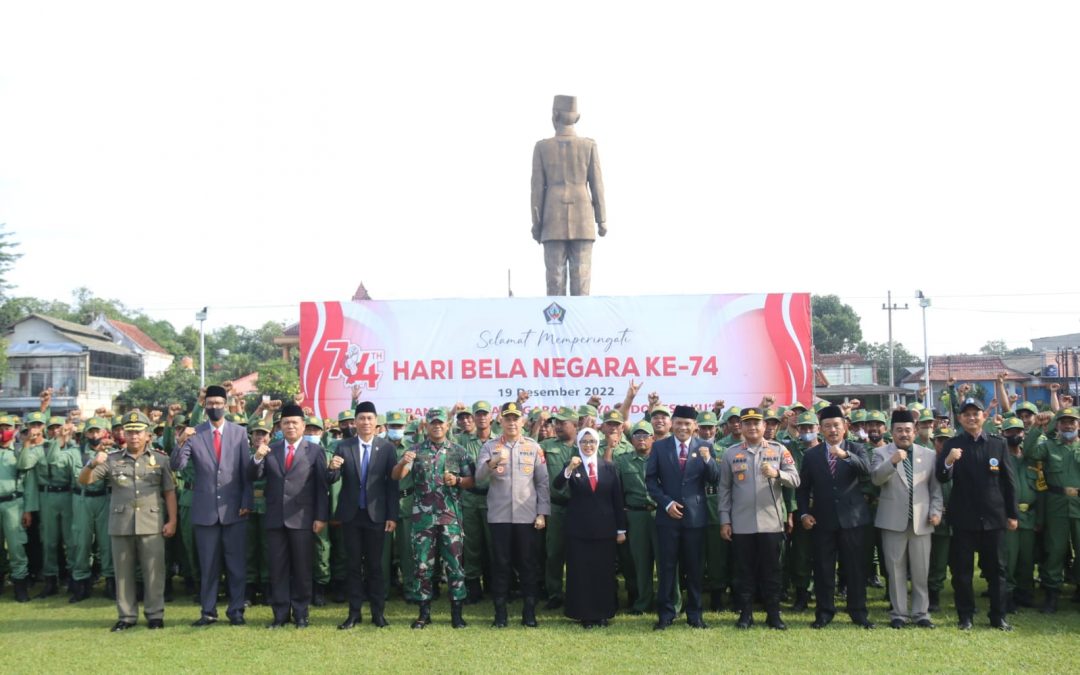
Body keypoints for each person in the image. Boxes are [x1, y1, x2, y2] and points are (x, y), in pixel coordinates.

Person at [80, 411, 177, 631]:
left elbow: (169, 492)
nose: (134, 437)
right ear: (124, 433)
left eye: (138, 432)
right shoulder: (111, 459)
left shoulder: (161, 459)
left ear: (147, 435)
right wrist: (93, 463)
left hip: (151, 523)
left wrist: (172, 521)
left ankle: (155, 615)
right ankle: (126, 616)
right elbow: (84, 481)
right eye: (130, 432)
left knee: (154, 572)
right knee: (123, 573)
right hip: (121, 523)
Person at [170, 384, 254, 626]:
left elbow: (245, 472)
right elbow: (177, 466)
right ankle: (208, 611)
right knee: (208, 566)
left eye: (219, 404)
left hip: (234, 509)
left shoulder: (239, 433)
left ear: (226, 405)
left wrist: (246, 501)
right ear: (204, 406)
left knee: (236, 565)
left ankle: (236, 610)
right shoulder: (194, 433)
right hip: (205, 511)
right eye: (210, 404)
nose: (215, 408)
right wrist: (180, 441)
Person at [936, 398, 1018, 631]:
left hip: (994, 518)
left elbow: (1009, 482)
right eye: (967, 414)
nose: (972, 417)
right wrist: (949, 461)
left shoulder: (997, 443)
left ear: (984, 417)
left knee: (997, 571)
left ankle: (998, 616)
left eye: (976, 413)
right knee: (962, 572)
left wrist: (1012, 514)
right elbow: (941, 477)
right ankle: (965, 616)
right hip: (963, 519)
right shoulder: (952, 444)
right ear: (960, 419)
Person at [392, 408, 473, 629]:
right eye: (432, 423)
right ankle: (424, 613)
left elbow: (471, 481)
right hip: (423, 519)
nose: (437, 426)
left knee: (455, 566)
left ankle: (457, 614)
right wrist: (402, 463)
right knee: (422, 566)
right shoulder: (415, 450)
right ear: (426, 426)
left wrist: (456, 481)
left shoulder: (458, 451)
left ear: (447, 425)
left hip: (450, 517)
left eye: (440, 423)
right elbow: (397, 476)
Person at [249, 403, 329, 628]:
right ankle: (280, 613)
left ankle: (301, 612)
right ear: (279, 426)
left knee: (303, 568)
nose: (290, 426)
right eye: (286, 423)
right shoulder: (270, 449)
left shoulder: (315, 451)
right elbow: (253, 475)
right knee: (278, 568)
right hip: (275, 517)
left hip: (303, 518)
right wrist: (257, 457)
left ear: (303, 426)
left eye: (295, 422)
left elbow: (321, 487)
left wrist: (320, 517)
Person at [719, 408, 799, 630]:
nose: (752, 427)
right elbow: (724, 489)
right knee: (743, 571)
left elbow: (795, 479)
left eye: (756, 423)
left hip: (770, 522)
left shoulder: (779, 450)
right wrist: (725, 520)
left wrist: (777, 474)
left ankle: (773, 614)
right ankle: (745, 615)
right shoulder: (731, 453)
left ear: (764, 426)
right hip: (742, 524)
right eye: (747, 424)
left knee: (772, 571)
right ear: (741, 428)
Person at [796, 405, 874, 629]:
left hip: (854, 520)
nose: (832, 430)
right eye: (827, 426)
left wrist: (845, 455)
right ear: (820, 429)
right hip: (823, 520)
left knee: (855, 569)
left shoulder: (857, 449)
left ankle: (858, 612)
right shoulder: (812, 455)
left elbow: (866, 471)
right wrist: (804, 513)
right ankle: (824, 612)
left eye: (836, 426)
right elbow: (803, 488)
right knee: (823, 568)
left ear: (845, 427)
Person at [475, 402, 550, 628]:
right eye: (507, 418)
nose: (511, 422)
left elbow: (543, 482)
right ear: (500, 421)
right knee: (500, 564)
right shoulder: (490, 447)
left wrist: (542, 513)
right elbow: (478, 477)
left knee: (528, 564)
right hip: (499, 518)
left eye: (515, 418)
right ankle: (500, 614)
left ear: (522, 421)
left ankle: (529, 612)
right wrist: (491, 463)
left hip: (527, 517)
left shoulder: (533, 446)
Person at [646, 404, 719, 630]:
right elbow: (651, 481)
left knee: (695, 567)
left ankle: (695, 614)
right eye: (678, 423)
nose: (682, 428)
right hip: (667, 518)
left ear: (695, 426)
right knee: (667, 567)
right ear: (672, 424)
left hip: (695, 518)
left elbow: (714, 479)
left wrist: (708, 460)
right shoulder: (659, 447)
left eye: (687, 424)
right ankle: (666, 614)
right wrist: (666, 502)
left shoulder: (705, 447)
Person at [870, 410, 943, 629]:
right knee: (895, 570)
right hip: (892, 521)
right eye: (899, 430)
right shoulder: (881, 453)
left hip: (922, 521)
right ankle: (899, 613)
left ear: (916, 430)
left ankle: (921, 612)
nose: (904, 434)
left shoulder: (928, 454)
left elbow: (935, 488)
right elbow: (875, 479)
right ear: (891, 432)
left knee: (921, 571)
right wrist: (891, 462)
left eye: (908, 430)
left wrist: (936, 511)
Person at [329, 401, 398, 629]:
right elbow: (332, 479)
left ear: (376, 422)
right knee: (352, 566)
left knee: (375, 567)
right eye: (361, 418)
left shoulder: (386, 448)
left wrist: (392, 515)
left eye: (370, 418)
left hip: (376, 515)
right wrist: (332, 468)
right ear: (355, 422)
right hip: (351, 515)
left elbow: (391, 485)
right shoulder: (343, 446)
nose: (366, 422)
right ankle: (354, 613)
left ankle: (378, 613)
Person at [530, 95, 606, 296]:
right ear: (577, 117)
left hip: (552, 219)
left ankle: (557, 326)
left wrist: (536, 224)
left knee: (554, 281)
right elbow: (597, 184)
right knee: (582, 280)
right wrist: (602, 219)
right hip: (583, 219)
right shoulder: (588, 146)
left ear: (555, 115)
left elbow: (537, 189)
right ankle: (580, 325)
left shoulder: (542, 147)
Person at [553, 428, 626, 628]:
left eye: (592, 441)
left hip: (605, 530)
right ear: (578, 444)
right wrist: (568, 468)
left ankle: (603, 613)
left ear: (598, 443)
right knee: (581, 572)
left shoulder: (609, 467)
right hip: (579, 530)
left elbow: (617, 500)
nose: (588, 445)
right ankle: (584, 614)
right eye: (584, 442)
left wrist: (621, 530)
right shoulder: (573, 466)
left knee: (603, 572)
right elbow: (557, 485)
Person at [16, 410, 80, 599]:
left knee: (71, 540)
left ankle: (73, 579)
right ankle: (51, 580)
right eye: (51, 429)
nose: (54, 432)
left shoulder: (72, 448)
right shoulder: (38, 449)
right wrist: (27, 443)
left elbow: (74, 474)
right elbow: (24, 464)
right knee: (49, 541)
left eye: (57, 428)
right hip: (46, 497)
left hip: (66, 496)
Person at [1022, 407, 1079, 614]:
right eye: (1063, 422)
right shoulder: (1049, 446)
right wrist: (1036, 427)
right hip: (1056, 504)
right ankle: (1052, 594)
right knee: (1055, 550)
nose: (1068, 425)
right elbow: (1028, 452)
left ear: (1078, 425)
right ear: (1057, 425)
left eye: (1072, 422)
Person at [617, 420, 662, 615]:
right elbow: (617, 491)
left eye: (645, 436)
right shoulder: (623, 460)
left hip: (660, 513)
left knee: (666, 561)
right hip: (636, 515)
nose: (641, 439)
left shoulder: (662, 458)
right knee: (641, 562)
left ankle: (669, 602)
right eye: (637, 436)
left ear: (653, 438)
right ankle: (643, 602)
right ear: (631, 439)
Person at [539, 406, 578, 610]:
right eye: (557, 423)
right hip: (555, 507)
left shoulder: (585, 445)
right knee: (554, 552)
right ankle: (554, 593)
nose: (559, 426)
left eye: (564, 423)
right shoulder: (545, 445)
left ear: (576, 424)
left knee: (577, 553)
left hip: (579, 509)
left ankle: (575, 591)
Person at [1001, 416, 1039, 612]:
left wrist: (1039, 519)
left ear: (1024, 434)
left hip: (1030, 516)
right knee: (1010, 557)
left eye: (1018, 431)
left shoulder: (1031, 458)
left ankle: (1025, 592)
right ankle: (1007, 595)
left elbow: (1041, 491)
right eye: (1010, 432)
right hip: (1009, 516)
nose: (1014, 435)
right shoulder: (1001, 460)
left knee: (1027, 557)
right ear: (1003, 434)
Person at [0, 414, 34, 602]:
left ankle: (20, 586)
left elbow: (27, 482)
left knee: (16, 547)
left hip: (13, 504)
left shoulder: (19, 451)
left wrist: (27, 509)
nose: (2, 431)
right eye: (0, 427)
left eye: (6, 427)